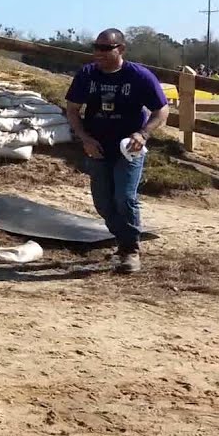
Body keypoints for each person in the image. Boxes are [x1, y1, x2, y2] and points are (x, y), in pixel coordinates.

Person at [65, 28, 171, 274]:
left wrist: (143, 134)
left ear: (120, 49)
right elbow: (72, 109)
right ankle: (124, 239)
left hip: (129, 149)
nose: (99, 53)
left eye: (105, 48)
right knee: (103, 202)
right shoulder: (87, 75)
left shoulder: (139, 76)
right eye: (96, 47)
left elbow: (162, 110)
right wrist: (85, 138)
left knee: (124, 197)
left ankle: (130, 250)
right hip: (98, 148)